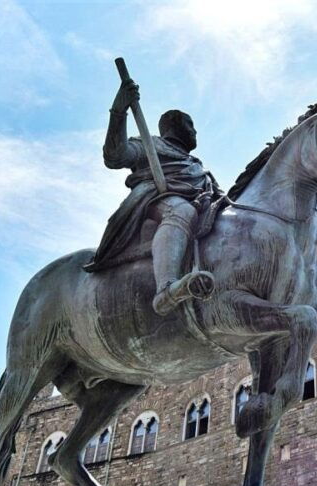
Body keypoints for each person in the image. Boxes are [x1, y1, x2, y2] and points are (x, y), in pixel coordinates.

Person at [84, 78, 222, 316]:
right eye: (190, 125)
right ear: (173, 126)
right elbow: (115, 156)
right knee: (181, 211)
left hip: (200, 204)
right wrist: (119, 111)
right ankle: (166, 289)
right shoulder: (150, 144)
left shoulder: (196, 165)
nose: (195, 130)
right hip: (155, 201)